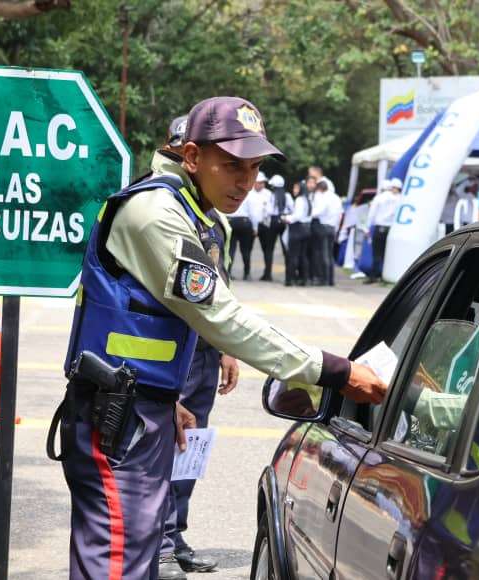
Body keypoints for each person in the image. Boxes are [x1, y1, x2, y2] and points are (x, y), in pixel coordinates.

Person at [51, 96, 386, 580]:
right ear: (192, 156)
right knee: (117, 564)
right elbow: (223, 319)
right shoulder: (155, 213)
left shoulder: (192, 210)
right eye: (232, 166)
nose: (245, 182)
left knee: (134, 559)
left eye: (253, 168)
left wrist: (165, 397)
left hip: (142, 410)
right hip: (116, 419)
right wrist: (336, 371)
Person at [153, 115, 239, 579]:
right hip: (176, 351)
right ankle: (160, 542)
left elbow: (218, 286)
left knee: (192, 447)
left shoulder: (211, 221)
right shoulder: (164, 210)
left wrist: (226, 348)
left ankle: (176, 533)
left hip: (205, 352)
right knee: (169, 443)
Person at [226, 172, 265, 280]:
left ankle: (228, 272)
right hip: (244, 222)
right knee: (246, 250)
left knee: (230, 249)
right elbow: (253, 213)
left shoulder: (229, 189)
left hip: (231, 221)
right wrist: (255, 227)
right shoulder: (249, 193)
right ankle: (247, 273)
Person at [363, 177, 402, 284]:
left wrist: (367, 228)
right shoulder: (401, 199)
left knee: (377, 253)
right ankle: (384, 276)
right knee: (387, 254)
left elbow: (372, 213)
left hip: (379, 227)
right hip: (392, 229)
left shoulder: (380, 198)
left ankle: (373, 276)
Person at [257, 173, 292, 282]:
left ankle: (268, 274)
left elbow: (268, 211)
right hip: (284, 221)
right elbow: (292, 209)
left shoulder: (272, 196)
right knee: (286, 248)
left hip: (273, 222)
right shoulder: (288, 196)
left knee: (269, 249)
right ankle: (289, 275)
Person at [309, 180, 342, 286]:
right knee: (329, 254)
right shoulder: (336, 197)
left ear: (320, 189)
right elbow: (340, 214)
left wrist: (308, 214)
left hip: (324, 226)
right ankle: (331, 279)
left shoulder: (324, 197)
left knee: (324, 254)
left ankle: (325, 279)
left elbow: (319, 211)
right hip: (333, 227)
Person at [284, 177, 313, 286]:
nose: (294, 190)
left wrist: (286, 218)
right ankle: (304, 279)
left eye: (296, 188)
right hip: (306, 228)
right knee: (303, 255)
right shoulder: (308, 199)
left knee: (293, 255)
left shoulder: (300, 199)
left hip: (298, 229)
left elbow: (297, 215)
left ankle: (290, 279)